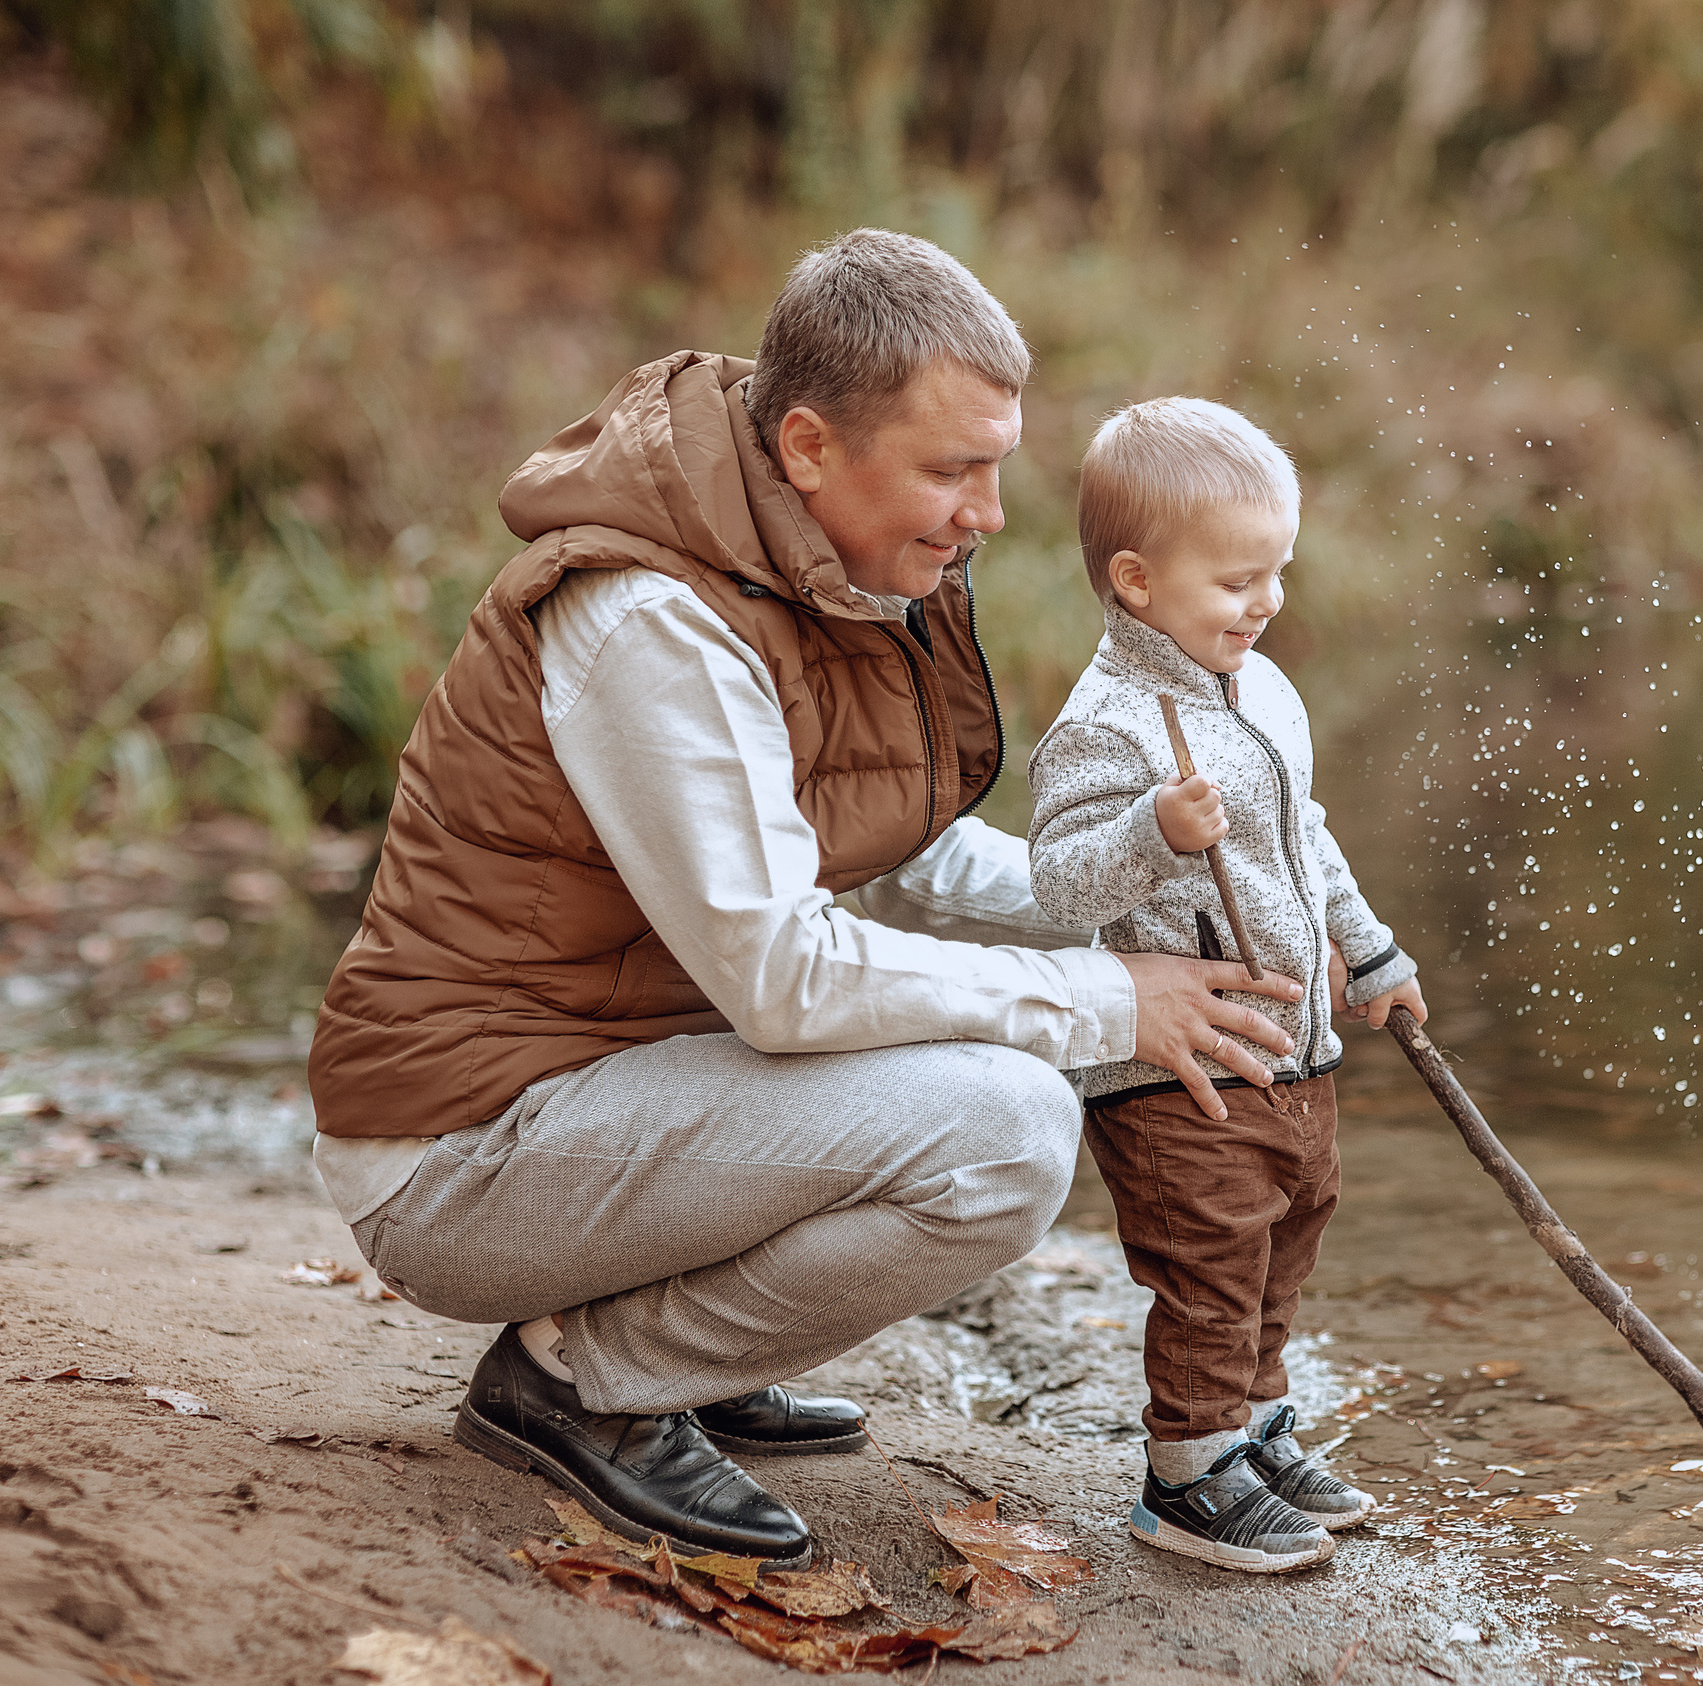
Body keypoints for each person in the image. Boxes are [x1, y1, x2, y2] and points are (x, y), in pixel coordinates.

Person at [304, 232, 1306, 1566]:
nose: (990, 513)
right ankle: (583, 1378)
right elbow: (785, 972)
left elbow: (901, 849)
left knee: (989, 1060)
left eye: (995, 464)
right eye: (952, 469)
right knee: (1008, 1124)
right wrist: (1104, 999)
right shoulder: (653, 617)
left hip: (614, 1077)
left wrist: (1130, 890)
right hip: (463, 1147)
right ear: (812, 445)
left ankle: (674, 1358)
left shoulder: (809, 555)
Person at [1026, 397, 1426, 1573]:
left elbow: (1306, 840)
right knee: (1209, 1257)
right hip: (1177, 1062)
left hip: (1292, 1046)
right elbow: (1058, 884)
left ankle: (1251, 1429)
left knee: (1288, 1234)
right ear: (1138, 582)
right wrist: (1151, 832)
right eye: (1237, 583)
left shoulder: (1263, 693)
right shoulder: (1105, 729)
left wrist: (1372, 953)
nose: (1267, 604)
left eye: (1277, 575)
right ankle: (1187, 1474)